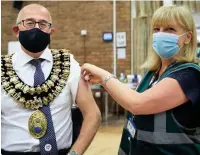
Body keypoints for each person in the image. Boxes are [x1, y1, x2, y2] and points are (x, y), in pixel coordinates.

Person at [81, 5, 200, 155]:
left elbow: (137, 103)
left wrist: (104, 76)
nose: (161, 34)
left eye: (170, 29)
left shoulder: (188, 75)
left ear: (188, 37)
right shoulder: (153, 73)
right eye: (157, 29)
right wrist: (105, 82)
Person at [1, 4, 101, 155]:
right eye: (29, 23)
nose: (36, 28)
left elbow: (93, 114)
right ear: (16, 30)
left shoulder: (68, 65)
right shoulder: (2, 69)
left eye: (42, 24)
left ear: (50, 32)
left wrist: (75, 153)